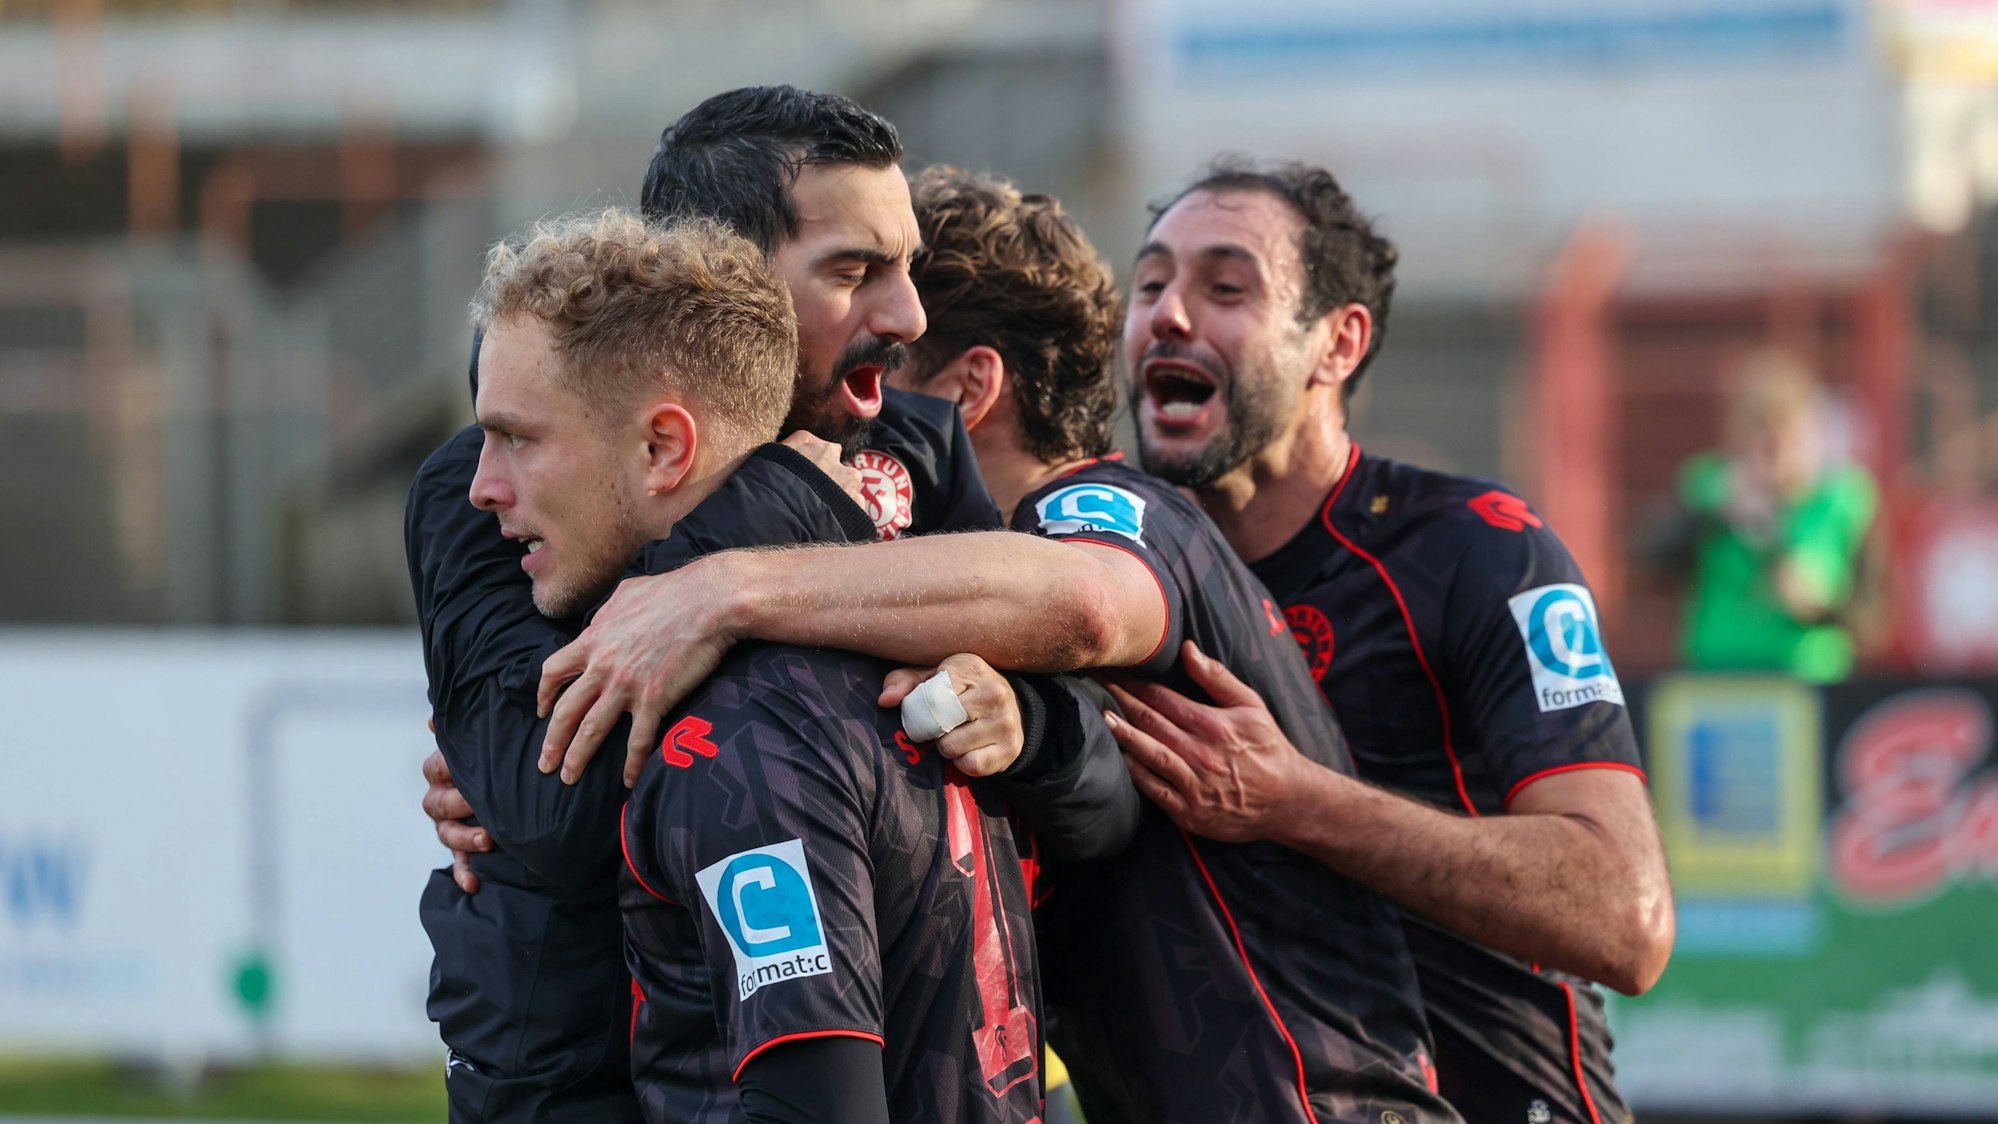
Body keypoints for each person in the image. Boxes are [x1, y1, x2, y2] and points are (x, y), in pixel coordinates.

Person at [538, 166, 1456, 1123]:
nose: (857, 409)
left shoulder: (1089, 511)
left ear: (971, 389)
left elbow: (1087, 608)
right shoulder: (965, 607)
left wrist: (721, 591)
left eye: (887, 371)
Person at [410, 86, 1116, 1122]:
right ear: (722, 275)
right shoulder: (504, 475)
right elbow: (551, 810)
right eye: (853, 270)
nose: (909, 316)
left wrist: (1025, 719)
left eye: (905, 264)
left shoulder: (914, 451)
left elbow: (1098, 780)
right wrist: (779, 501)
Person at [1096, 161, 1675, 1123]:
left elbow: (1626, 918)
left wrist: (1294, 801)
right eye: (1151, 283)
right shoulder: (1105, 564)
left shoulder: (1477, 550)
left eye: (1225, 287)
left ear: (1337, 342)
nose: (1169, 316)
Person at [1663, 348, 1878, 682]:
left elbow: (1873, 615)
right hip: (1717, 675)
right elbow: (1656, 558)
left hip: (1809, 683)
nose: (1776, 454)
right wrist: (1719, 513)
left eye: (1787, 438)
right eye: (1762, 438)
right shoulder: (1713, 487)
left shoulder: (1844, 499)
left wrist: (1820, 606)